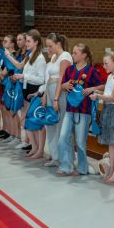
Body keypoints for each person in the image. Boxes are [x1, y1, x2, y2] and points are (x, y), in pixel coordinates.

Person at [57, 44, 103, 176]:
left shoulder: (92, 71)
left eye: (75, 53)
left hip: (84, 111)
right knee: (63, 138)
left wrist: (91, 89)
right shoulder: (69, 70)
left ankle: (82, 168)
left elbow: (103, 85)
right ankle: (66, 166)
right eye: (72, 53)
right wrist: (65, 85)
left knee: (80, 142)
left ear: (84, 55)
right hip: (70, 109)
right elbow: (63, 84)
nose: (73, 55)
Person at [9, 30, 47, 158]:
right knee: (28, 122)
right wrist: (19, 77)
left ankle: (40, 149)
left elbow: (41, 79)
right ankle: (35, 146)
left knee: (37, 122)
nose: (26, 43)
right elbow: (27, 75)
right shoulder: (30, 56)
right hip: (27, 91)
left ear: (36, 42)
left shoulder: (40, 58)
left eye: (29, 41)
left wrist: (24, 76)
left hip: (35, 92)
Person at [91, 51, 114, 183]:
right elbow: (107, 92)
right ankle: (111, 169)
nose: (104, 66)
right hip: (107, 110)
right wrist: (97, 91)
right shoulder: (110, 76)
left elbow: (112, 97)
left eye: (106, 64)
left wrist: (98, 96)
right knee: (111, 143)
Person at [44, 33, 72, 167]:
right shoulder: (54, 56)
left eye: (50, 46)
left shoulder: (65, 56)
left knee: (61, 125)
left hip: (59, 92)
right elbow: (47, 77)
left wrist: (56, 98)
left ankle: (64, 158)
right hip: (49, 88)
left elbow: (62, 78)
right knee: (50, 124)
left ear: (58, 44)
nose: (48, 49)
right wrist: (45, 95)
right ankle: (54, 156)